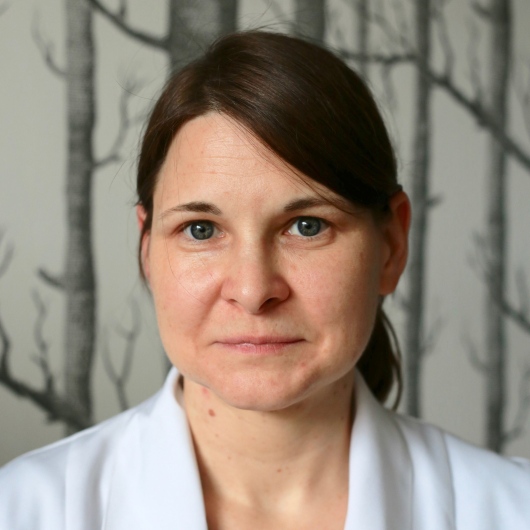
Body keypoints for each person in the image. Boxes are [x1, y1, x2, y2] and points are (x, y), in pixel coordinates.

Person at [0, 30, 529, 530]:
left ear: (391, 245)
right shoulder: (23, 510)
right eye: (201, 229)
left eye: (307, 226)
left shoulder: (511, 508)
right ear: (147, 251)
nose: (253, 291)